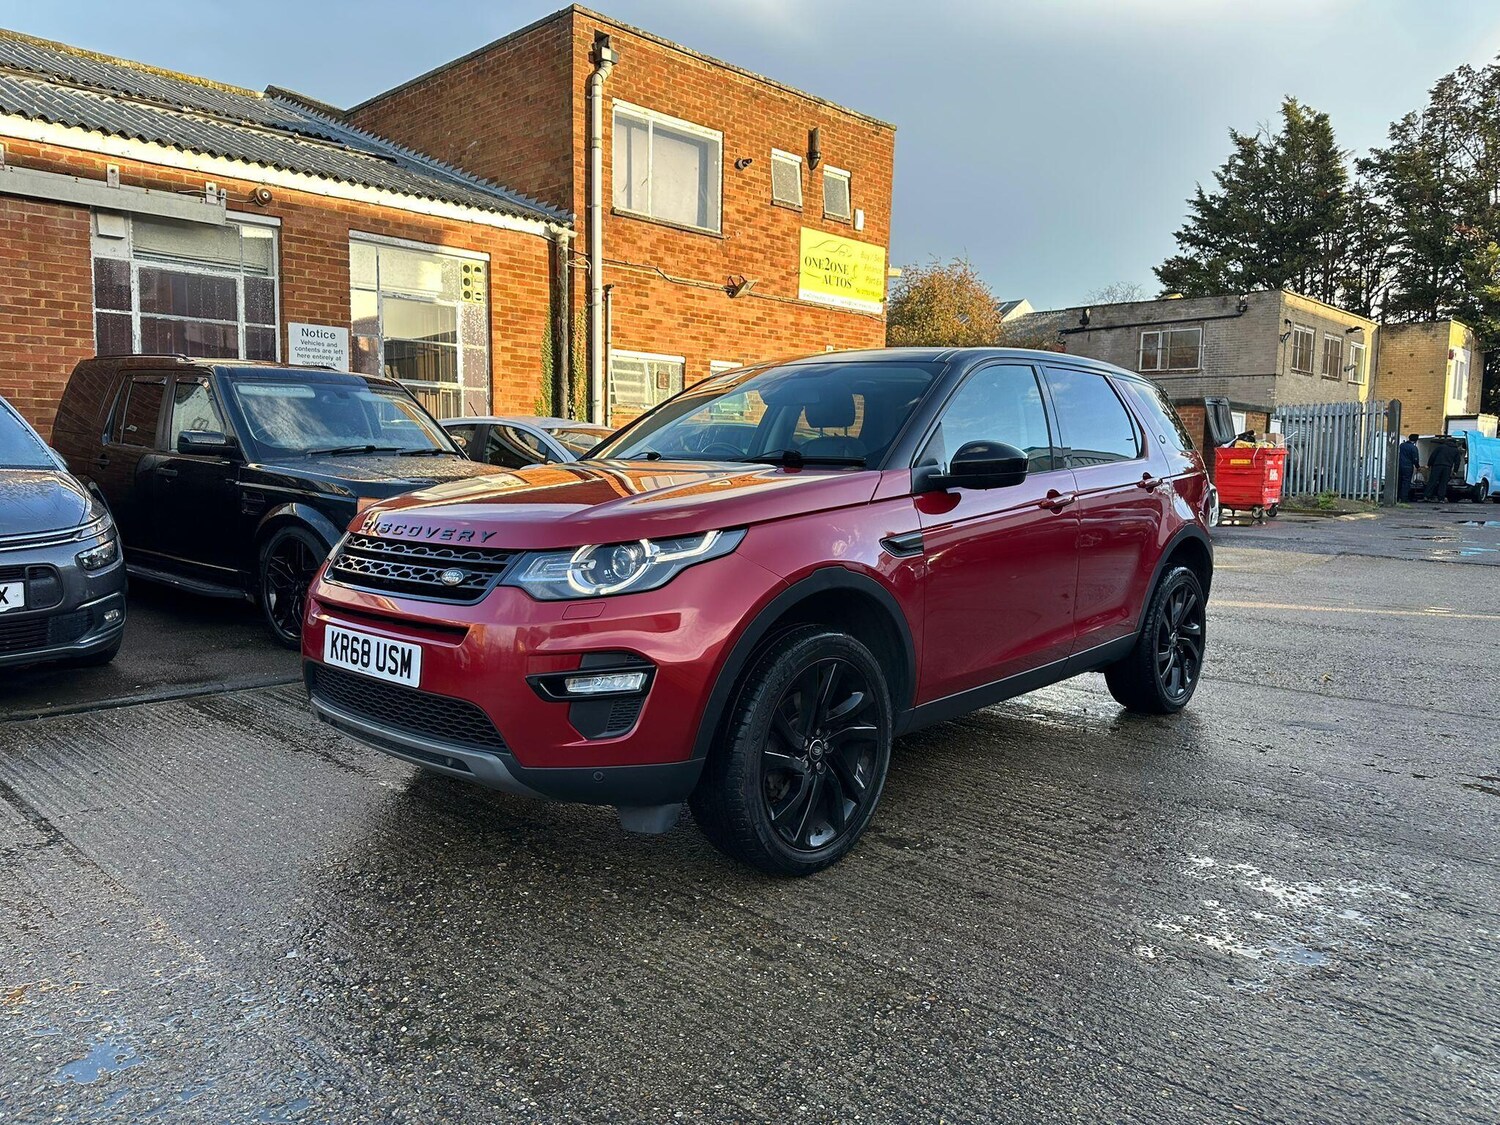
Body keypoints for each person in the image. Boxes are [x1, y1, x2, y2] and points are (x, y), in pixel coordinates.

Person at [1425, 436, 1461, 502]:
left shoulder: (1441, 447)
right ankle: (1441, 498)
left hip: (1437, 466)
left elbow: (1433, 456)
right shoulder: (1456, 450)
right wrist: (1455, 471)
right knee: (1443, 483)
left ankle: (1427, 496)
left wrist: (1429, 464)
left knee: (1432, 481)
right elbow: (1457, 462)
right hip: (1447, 467)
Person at [1398, 433, 1420, 501]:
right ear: (1416, 440)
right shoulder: (1413, 448)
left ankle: (1397, 496)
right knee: (1406, 482)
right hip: (1408, 466)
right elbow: (1415, 459)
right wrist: (1417, 466)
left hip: (1399, 465)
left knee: (1399, 481)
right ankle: (1404, 498)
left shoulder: (1402, 445)